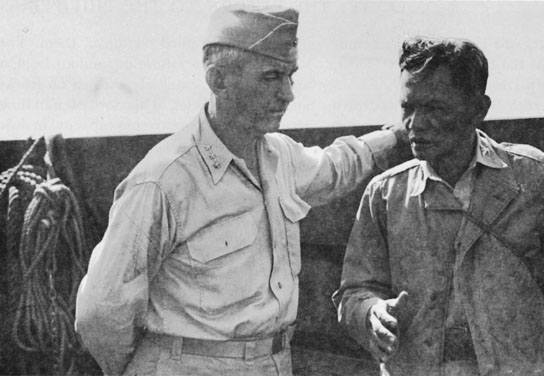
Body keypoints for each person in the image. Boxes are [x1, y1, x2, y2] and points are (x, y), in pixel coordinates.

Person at [74, 5, 405, 376]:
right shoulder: (164, 179)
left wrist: (392, 136)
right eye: (271, 77)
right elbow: (101, 312)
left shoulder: (279, 156)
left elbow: (332, 168)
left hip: (274, 363)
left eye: (290, 76)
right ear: (218, 80)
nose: (288, 94)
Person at [332, 36, 544, 376]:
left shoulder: (540, 179)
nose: (414, 123)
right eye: (407, 107)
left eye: (434, 108)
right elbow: (353, 290)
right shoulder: (385, 194)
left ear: (479, 109)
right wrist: (371, 313)